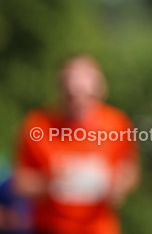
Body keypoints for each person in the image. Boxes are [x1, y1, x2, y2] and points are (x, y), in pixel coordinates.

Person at [13, 55, 139, 234]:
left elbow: (130, 171)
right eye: (70, 91)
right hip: (49, 227)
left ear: (100, 89)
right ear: (59, 88)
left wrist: (117, 185)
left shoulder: (117, 124)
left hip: (99, 227)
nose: (76, 96)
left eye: (84, 90)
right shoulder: (37, 125)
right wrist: (52, 184)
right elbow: (20, 183)